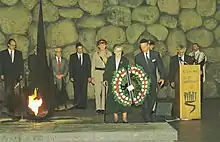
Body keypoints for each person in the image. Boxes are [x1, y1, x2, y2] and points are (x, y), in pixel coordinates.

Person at [135, 39, 165, 122]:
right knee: (145, 98)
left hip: (153, 79)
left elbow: (160, 67)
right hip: (143, 80)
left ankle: (147, 112)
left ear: (148, 46)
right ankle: (146, 115)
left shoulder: (155, 55)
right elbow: (137, 70)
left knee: (152, 97)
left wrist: (162, 77)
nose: (143, 48)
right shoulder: (138, 57)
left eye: (144, 46)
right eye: (141, 47)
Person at [103, 44, 129, 123]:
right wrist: (105, 80)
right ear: (114, 52)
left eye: (120, 51)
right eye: (117, 51)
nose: (119, 53)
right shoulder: (110, 60)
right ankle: (115, 117)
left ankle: (124, 117)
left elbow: (128, 71)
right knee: (114, 99)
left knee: (124, 100)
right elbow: (106, 71)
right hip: (112, 82)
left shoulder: (125, 60)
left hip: (122, 83)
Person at [168, 45, 194, 117]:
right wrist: (171, 81)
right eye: (180, 52)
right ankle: (177, 113)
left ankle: (187, 111)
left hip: (187, 81)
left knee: (186, 96)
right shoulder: (173, 59)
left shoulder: (189, 59)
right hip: (177, 81)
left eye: (183, 52)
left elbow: (192, 69)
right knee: (177, 97)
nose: (181, 53)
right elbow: (171, 71)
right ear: (177, 51)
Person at [0, 39, 24, 115]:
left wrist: (21, 74)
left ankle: (16, 108)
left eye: (15, 45)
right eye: (12, 45)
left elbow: (21, 64)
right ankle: (8, 108)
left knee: (16, 92)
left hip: (16, 75)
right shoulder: (3, 53)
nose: (14, 46)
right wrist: (1, 74)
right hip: (7, 75)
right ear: (8, 45)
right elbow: (1, 64)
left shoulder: (19, 53)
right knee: (8, 91)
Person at [91, 39, 112, 114]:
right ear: (98, 46)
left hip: (105, 72)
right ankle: (98, 107)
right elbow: (93, 65)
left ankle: (103, 107)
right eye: (100, 44)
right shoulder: (96, 54)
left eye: (103, 44)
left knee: (104, 91)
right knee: (97, 91)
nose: (102, 46)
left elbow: (110, 65)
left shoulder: (109, 54)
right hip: (97, 73)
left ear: (106, 45)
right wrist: (92, 76)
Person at [69, 42, 91, 109]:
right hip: (76, 77)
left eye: (81, 48)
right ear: (76, 49)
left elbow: (89, 66)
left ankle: (83, 105)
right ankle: (77, 104)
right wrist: (71, 76)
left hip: (84, 76)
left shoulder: (86, 56)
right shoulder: (72, 56)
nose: (80, 50)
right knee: (77, 91)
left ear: (82, 49)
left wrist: (89, 76)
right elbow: (71, 67)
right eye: (78, 49)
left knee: (84, 90)